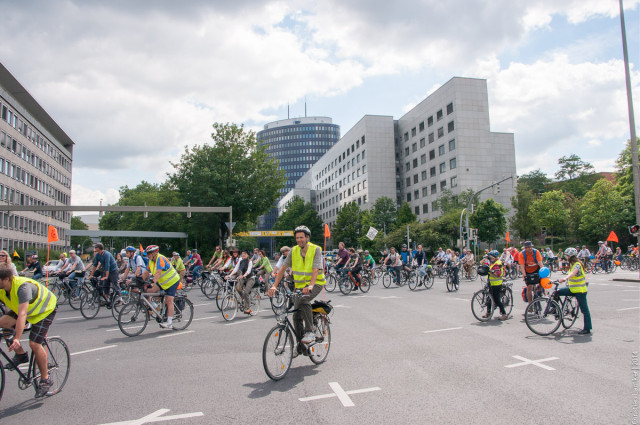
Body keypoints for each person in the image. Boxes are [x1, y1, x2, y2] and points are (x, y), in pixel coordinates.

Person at [0, 264, 57, 397]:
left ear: (7, 279)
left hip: (45, 310)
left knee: (34, 344)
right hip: (25, 309)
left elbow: (22, 315)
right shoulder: (3, 288)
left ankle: (45, 379)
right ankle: (21, 355)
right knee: (3, 324)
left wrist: (17, 338)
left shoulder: (22, 287)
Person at [268, 225, 324, 349]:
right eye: (297, 238)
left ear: (307, 237)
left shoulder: (316, 249)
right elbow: (282, 268)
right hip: (299, 286)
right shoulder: (293, 251)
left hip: (316, 283)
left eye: (302, 237)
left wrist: (310, 286)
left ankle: (310, 332)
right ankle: (300, 347)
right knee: (296, 316)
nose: (299, 240)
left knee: (305, 299)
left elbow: (315, 269)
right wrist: (274, 286)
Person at [144, 245, 181, 328]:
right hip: (163, 282)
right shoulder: (150, 261)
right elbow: (145, 273)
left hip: (172, 281)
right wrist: (137, 281)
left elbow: (158, 273)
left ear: (154, 253)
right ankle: (157, 307)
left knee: (169, 300)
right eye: (147, 253)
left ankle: (169, 322)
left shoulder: (160, 258)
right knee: (150, 291)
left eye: (149, 253)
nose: (148, 255)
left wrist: (153, 282)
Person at [558, 248, 592, 334]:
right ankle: (555, 309)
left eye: (566, 256)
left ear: (570, 256)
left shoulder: (577, 264)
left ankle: (587, 328)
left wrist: (565, 278)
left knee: (584, 310)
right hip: (572, 289)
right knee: (557, 292)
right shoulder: (572, 264)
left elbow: (573, 273)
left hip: (580, 291)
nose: (566, 257)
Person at [88, 243, 121, 309]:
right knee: (104, 284)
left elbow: (107, 265)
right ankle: (106, 300)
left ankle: (120, 299)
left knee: (115, 284)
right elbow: (95, 265)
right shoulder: (98, 255)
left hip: (113, 270)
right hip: (106, 270)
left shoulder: (106, 254)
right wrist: (91, 275)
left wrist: (106, 276)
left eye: (97, 250)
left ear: (101, 249)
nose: (96, 252)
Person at [227, 250, 256, 314]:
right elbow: (236, 269)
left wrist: (243, 275)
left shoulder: (250, 262)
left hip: (250, 278)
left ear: (248, 255)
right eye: (242, 254)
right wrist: (230, 275)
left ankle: (248, 308)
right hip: (243, 277)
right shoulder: (240, 261)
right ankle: (242, 297)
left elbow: (248, 271)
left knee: (246, 292)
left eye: (245, 254)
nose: (243, 255)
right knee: (237, 287)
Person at [484, 250, 508, 320]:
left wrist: (490, 271)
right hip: (491, 283)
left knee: (496, 299)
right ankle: (488, 313)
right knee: (489, 298)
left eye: (490, 256)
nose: (489, 258)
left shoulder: (497, 263)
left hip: (497, 284)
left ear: (493, 257)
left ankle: (504, 314)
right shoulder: (492, 262)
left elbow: (498, 274)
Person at [519, 241, 544, 307]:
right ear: (525, 248)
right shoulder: (522, 254)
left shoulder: (536, 252)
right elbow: (522, 266)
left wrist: (543, 272)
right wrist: (525, 276)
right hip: (527, 271)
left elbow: (540, 263)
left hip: (536, 269)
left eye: (531, 247)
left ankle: (540, 291)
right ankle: (530, 305)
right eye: (528, 247)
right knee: (529, 288)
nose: (530, 248)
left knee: (542, 279)